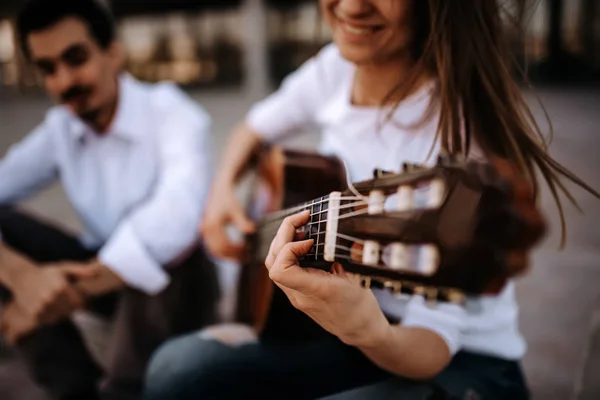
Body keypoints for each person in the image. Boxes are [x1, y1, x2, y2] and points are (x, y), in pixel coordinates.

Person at [144, 0, 598, 399]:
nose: (352, 6)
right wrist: (221, 194)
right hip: (353, 337)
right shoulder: (334, 69)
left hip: (462, 364)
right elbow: (253, 129)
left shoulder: (458, 145)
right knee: (175, 371)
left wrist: (364, 328)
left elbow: (432, 347)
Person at [0, 0, 220, 398]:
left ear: (113, 52)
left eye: (76, 58)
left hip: (184, 290)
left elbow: (178, 215)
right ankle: (73, 388)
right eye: (48, 69)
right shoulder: (60, 129)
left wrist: (70, 293)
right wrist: (23, 279)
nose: (64, 81)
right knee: (8, 229)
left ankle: (126, 388)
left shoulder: (172, 113)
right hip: (103, 278)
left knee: (169, 246)